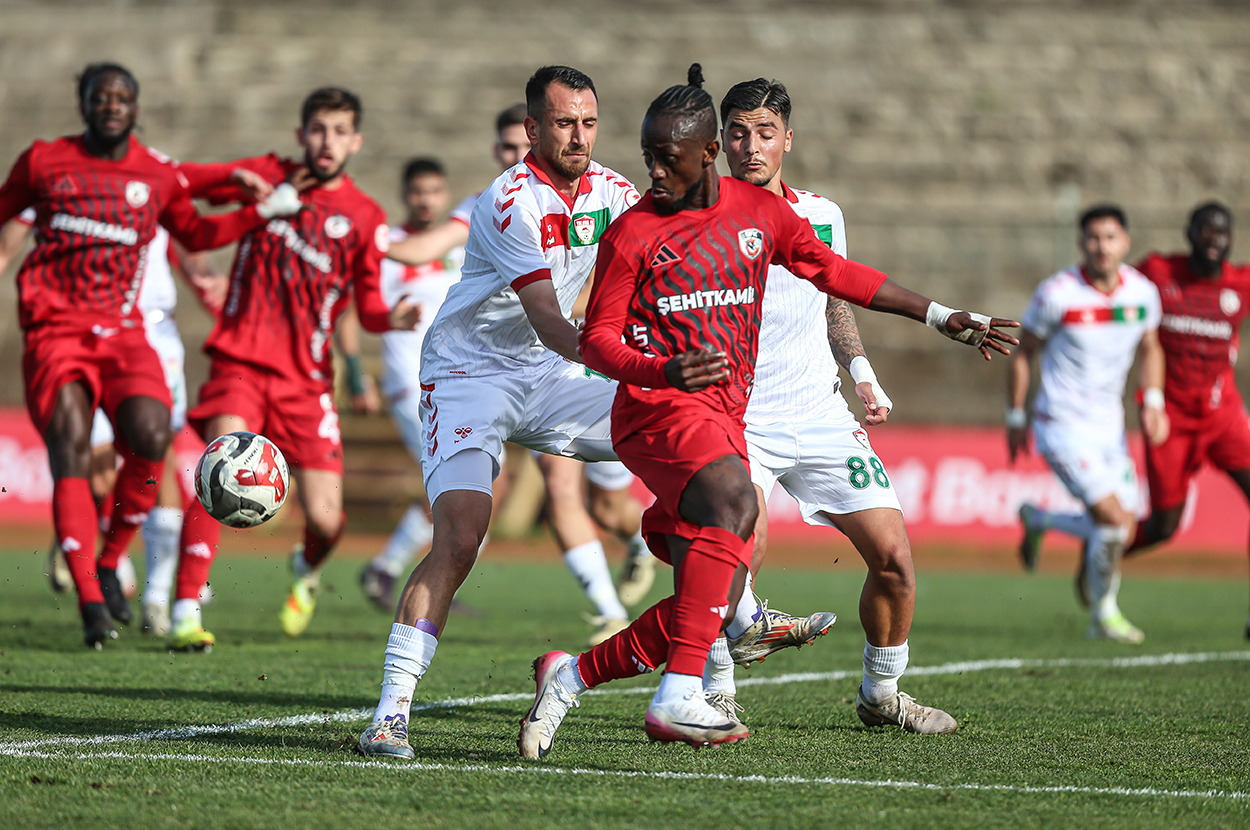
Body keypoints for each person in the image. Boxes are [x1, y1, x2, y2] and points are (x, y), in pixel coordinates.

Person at [517, 66, 1016, 756]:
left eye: (669, 159)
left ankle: (572, 675)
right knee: (732, 517)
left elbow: (839, 276)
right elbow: (597, 338)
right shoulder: (634, 231)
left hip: (772, 414)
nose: (654, 173)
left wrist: (936, 315)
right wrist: (662, 366)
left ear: (707, 154)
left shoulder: (767, 216)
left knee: (728, 584)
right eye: (648, 158)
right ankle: (686, 693)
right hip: (662, 409)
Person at [356, 65, 641, 760]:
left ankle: (723, 650)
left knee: (681, 438)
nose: (578, 136)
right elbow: (548, 318)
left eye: (589, 122)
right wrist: (647, 361)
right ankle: (390, 715)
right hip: (468, 375)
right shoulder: (509, 200)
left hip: (546, 374)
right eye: (564, 123)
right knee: (460, 534)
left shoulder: (616, 192)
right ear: (532, 129)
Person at [0, 62, 300, 648]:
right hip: (54, 332)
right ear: (83, 103)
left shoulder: (153, 173)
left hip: (126, 332)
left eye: (122, 97)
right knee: (71, 445)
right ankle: (90, 599)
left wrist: (258, 211)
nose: (111, 104)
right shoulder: (42, 162)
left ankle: (111, 556)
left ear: (135, 108)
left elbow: (198, 231)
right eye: (100, 96)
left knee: (152, 435)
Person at [689, 77, 953, 733]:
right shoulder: (694, 216)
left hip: (820, 414)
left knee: (894, 560)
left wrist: (862, 369)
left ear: (788, 139)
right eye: (739, 133)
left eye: (766, 132)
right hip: (738, 418)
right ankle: (717, 692)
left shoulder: (823, 214)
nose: (752, 146)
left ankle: (882, 692)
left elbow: (835, 297)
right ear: (720, 141)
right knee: (734, 558)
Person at [167, 86, 419, 651]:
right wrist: (241, 190)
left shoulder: (364, 216)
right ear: (301, 134)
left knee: (329, 520)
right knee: (218, 469)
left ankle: (305, 569)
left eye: (338, 131)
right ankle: (184, 608)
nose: (326, 141)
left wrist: (393, 317)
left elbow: (369, 306)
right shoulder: (267, 174)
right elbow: (187, 181)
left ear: (355, 141)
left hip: (307, 382)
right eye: (317, 129)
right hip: (240, 361)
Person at [1010, 205, 1167, 643]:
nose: (1102, 246)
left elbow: (1152, 346)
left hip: (1109, 428)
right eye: (1094, 238)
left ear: (1125, 243)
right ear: (1082, 243)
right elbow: (1024, 353)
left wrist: (1153, 400)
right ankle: (1104, 614)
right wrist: (1016, 415)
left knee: (1123, 526)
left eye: (1110, 237)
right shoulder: (1058, 293)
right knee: (1113, 518)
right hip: (1059, 423)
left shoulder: (1142, 292)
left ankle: (1039, 519)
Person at [1121, 203, 1250, 637]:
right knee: (1164, 526)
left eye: (1222, 232)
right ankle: (1105, 555)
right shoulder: (1159, 272)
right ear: (1190, 233)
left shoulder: (1240, 283)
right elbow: (1118, 289)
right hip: (1170, 419)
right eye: (1205, 230)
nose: (1214, 239)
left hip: (1223, 416)